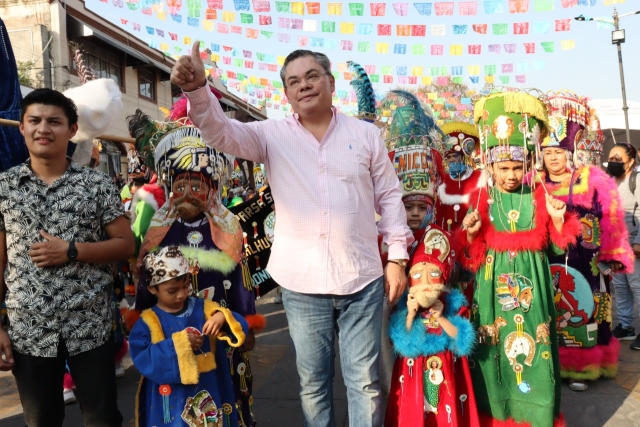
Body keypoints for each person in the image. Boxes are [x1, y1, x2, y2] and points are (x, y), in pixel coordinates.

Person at [171, 44, 413, 426]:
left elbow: (390, 197)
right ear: (286, 94)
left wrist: (397, 258)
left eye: (312, 76)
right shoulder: (270, 136)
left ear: (331, 83)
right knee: (313, 385)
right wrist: (199, 89)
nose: (304, 86)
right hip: (301, 286)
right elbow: (219, 132)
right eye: (294, 82)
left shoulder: (366, 136)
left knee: (365, 382)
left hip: (362, 280)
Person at [0, 88, 134, 426]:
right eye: (35, 120)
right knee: (41, 419)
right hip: (29, 328)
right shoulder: (4, 187)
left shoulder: (97, 185)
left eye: (54, 121)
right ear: (22, 127)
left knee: (101, 419)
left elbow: (125, 244)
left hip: (90, 324)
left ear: (72, 130)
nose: (44, 128)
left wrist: (72, 251)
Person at [127, 106, 263, 426]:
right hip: (171, 334)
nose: (188, 193)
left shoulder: (227, 231)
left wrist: (245, 322)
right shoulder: (160, 230)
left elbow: (240, 285)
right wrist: (143, 325)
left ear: (211, 188)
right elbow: (149, 286)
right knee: (175, 407)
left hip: (220, 333)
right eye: (181, 186)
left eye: (197, 185)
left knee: (223, 401)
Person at [459, 91, 580, 427]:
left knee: (536, 350)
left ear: (527, 164)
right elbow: (472, 255)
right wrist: (470, 233)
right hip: (492, 287)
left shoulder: (540, 196)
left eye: (516, 167)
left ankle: (535, 412)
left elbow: (558, 249)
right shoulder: (481, 199)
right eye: (503, 168)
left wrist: (557, 222)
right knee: (492, 347)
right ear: (491, 166)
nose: (510, 175)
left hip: (534, 291)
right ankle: (495, 413)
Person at [533, 93, 634, 391]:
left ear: (571, 152)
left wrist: (611, 255)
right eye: (548, 151)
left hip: (586, 263)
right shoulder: (534, 182)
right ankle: (549, 365)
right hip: (546, 260)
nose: (553, 157)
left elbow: (612, 218)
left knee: (585, 310)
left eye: (559, 152)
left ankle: (583, 366)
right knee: (549, 311)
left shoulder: (593, 178)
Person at [129, 246, 248, 427]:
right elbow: (143, 357)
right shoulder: (148, 322)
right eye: (172, 290)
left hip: (209, 392)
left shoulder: (205, 308)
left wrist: (223, 317)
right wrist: (180, 344)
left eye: (185, 286)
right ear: (153, 289)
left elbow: (240, 326)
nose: (181, 294)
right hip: (170, 400)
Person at [385, 225, 479, 427]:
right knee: (414, 412)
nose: (426, 282)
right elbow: (402, 342)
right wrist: (410, 315)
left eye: (433, 273)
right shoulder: (406, 306)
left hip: (447, 372)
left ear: (444, 276)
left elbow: (461, 339)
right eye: (418, 275)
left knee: (445, 413)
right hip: (413, 375)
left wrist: (442, 318)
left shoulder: (452, 305)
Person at [606, 142, 640, 351]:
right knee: (620, 287)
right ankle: (626, 326)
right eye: (611, 158)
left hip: (634, 245)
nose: (613, 162)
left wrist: (638, 243)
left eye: (618, 159)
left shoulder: (636, 181)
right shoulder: (609, 181)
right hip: (615, 246)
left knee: (637, 287)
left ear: (631, 162)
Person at [435, 121, 484, 233]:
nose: (452, 160)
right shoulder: (442, 180)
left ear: (463, 157)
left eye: (455, 156)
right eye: (449, 157)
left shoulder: (479, 177)